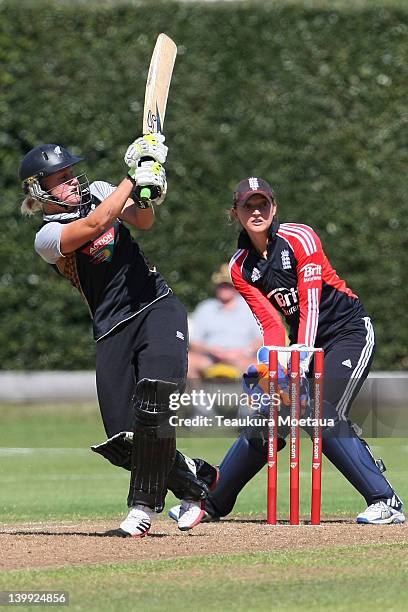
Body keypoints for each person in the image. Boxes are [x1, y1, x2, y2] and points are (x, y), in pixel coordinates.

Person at [170, 176, 405, 527]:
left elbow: (310, 301)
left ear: (274, 207)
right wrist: (275, 361)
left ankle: (385, 500)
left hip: (348, 333)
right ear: (235, 213)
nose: (256, 211)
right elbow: (272, 324)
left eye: (263, 204)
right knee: (269, 416)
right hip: (302, 344)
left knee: (319, 413)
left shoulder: (299, 237)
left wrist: (304, 351)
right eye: (248, 205)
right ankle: (213, 502)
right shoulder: (239, 267)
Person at [19, 136, 218, 536]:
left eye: (72, 173)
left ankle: (142, 509)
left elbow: (142, 220)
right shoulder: (47, 238)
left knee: (154, 405)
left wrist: (148, 188)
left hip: (157, 307)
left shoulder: (99, 192)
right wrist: (133, 175)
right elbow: (95, 225)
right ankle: (194, 477)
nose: (73, 181)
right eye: (61, 178)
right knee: (121, 438)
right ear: (40, 190)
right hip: (112, 327)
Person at [188, 263, 262, 379]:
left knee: (261, 367)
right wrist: (211, 350)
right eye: (221, 286)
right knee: (187, 361)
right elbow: (194, 342)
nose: (224, 289)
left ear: (236, 286)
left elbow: (261, 340)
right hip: (210, 359)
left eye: (228, 285)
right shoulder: (205, 307)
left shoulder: (250, 307)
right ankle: (197, 396)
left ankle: (250, 397)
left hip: (242, 358)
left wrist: (243, 352)